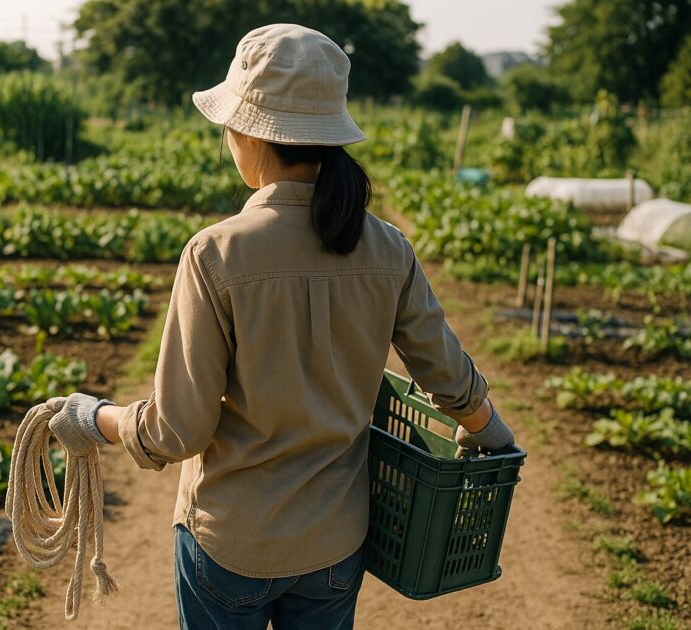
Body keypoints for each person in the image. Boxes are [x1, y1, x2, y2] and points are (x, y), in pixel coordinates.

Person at [51, 23, 514, 630]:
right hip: (335, 546)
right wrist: (493, 435)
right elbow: (447, 374)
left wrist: (93, 417)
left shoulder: (215, 254)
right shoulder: (387, 248)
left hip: (231, 546)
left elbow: (176, 431)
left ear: (248, 133)